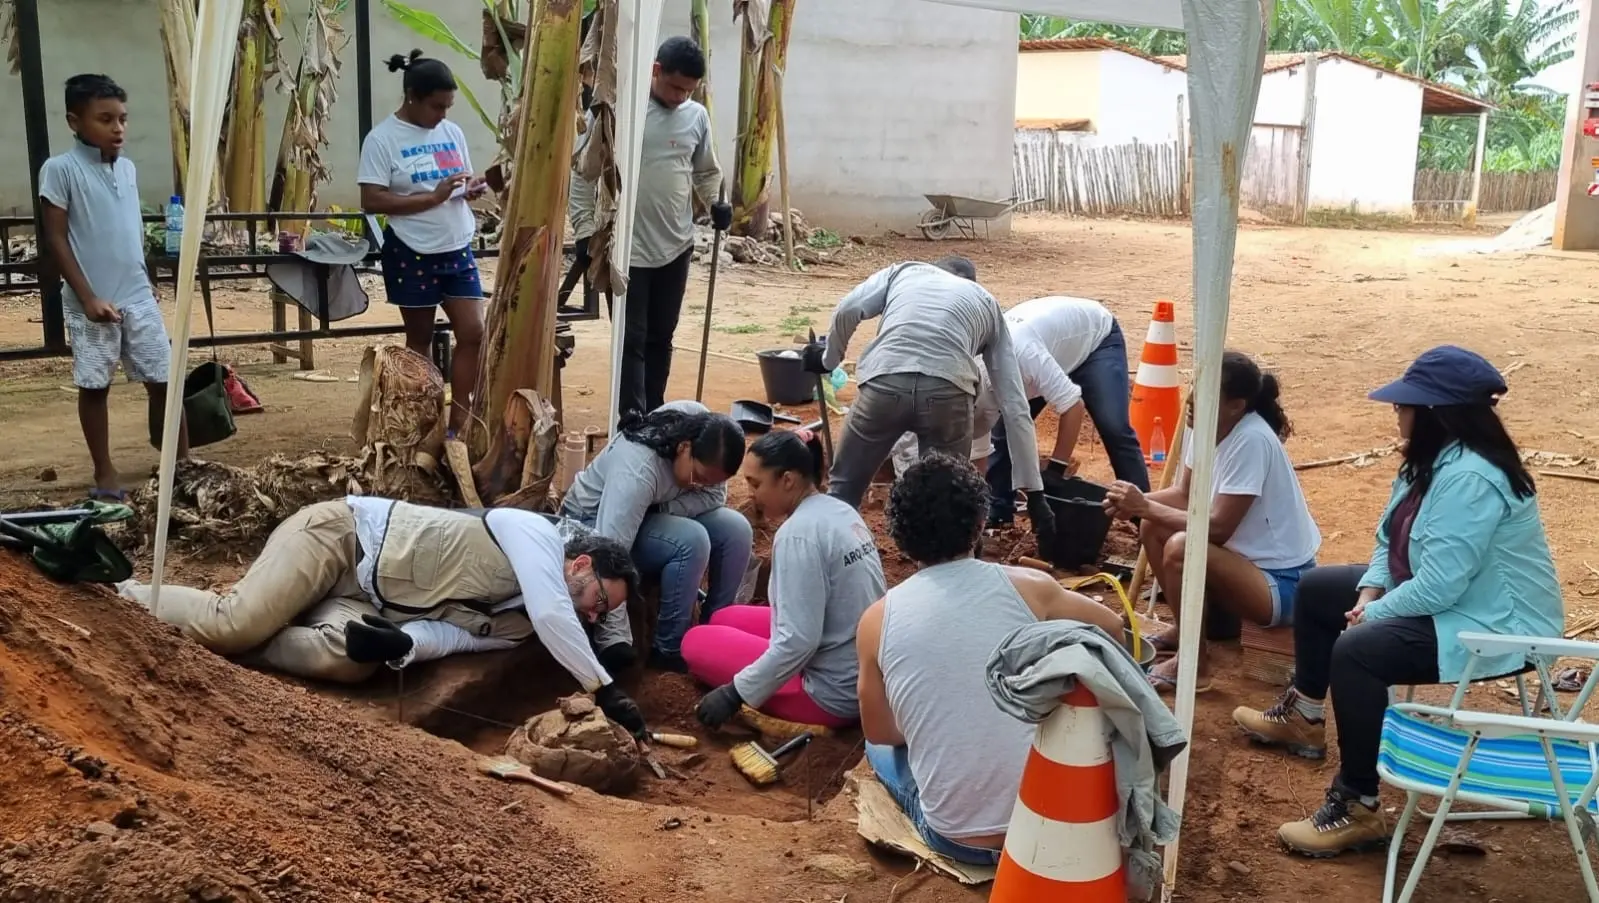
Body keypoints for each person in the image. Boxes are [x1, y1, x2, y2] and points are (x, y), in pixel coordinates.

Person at [1232, 346, 1564, 858]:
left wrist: (1370, 614)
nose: (1397, 412)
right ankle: (1305, 713)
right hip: (1454, 601)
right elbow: (1391, 541)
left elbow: (1440, 587)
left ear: (1434, 414)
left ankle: (1358, 803)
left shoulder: (1470, 478)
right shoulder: (1429, 462)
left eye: (1404, 405)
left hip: (1494, 624)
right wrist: (1369, 592)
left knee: (1358, 650)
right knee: (1321, 591)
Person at [119, 498, 651, 740]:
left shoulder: (526, 624)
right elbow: (554, 609)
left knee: (353, 663)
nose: (592, 614)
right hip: (339, 539)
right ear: (580, 563)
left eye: (601, 614)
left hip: (365, 603)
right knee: (233, 622)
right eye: (599, 600)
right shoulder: (531, 533)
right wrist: (601, 688)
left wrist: (400, 645)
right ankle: (121, 591)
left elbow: (451, 637)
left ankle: (254, 634)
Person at [855, 453, 1123, 865]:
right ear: (979, 523)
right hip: (1051, 828)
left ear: (899, 536)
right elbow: (1113, 629)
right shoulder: (1032, 588)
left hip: (958, 839)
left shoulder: (877, 620)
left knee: (878, 751)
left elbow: (880, 730)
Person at [1103, 351, 1320, 693]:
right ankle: (1183, 629)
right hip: (1246, 567)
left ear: (1236, 405)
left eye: (1203, 393)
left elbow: (1217, 528)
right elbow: (1186, 494)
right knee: (1153, 526)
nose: (1190, 399)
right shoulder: (1204, 422)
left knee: (1180, 546)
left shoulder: (1251, 440)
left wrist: (1143, 504)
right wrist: (1130, 506)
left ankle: (1196, 665)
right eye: (1194, 385)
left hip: (1284, 583)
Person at [804, 256, 1054, 545]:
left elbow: (849, 308)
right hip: (948, 391)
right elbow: (1015, 406)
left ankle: (828, 557)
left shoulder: (904, 272)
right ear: (971, 283)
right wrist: (1035, 494)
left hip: (885, 383)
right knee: (947, 501)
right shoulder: (986, 302)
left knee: (843, 489)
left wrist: (828, 360)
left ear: (936, 268)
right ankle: (952, 573)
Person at [39, 74, 189, 500]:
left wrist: (147, 277)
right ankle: (105, 474)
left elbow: (129, 231)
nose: (118, 128)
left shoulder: (127, 168)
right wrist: (87, 297)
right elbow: (56, 238)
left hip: (136, 296)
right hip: (93, 301)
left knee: (164, 379)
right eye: (105, 119)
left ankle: (182, 467)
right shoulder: (60, 170)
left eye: (122, 118)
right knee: (95, 385)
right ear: (75, 121)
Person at [684, 430, 886, 730]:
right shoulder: (838, 510)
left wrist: (735, 693)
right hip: (860, 664)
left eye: (756, 484)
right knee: (724, 617)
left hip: (831, 694)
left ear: (788, 480)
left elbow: (799, 642)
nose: (750, 494)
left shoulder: (798, 536)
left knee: (694, 642)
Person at [560, 401, 753, 673]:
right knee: (692, 540)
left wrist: (662, 508)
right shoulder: (638, 471)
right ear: (684, 447)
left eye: (709, 481)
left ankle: (715, 632)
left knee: (736, 530)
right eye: (697, 477)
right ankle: (668, 649)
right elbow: (609, 549)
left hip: (653, 510)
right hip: (590, 524)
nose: (699, 486)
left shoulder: (709, 436)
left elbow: (714, 497)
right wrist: (613, 634)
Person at [358, 50, 489, 438]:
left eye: (448, 106)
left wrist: (468, 190)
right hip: (412, 251)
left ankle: (461, 423)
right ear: (411, 96)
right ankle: (425, 423)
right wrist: (431, 198)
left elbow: (456, 185)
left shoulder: (452, 133)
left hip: (456, 246)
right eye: (436, 106)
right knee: (420, 340)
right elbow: (372, 199)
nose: (443, 115)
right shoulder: (382, 140)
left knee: (473, 333)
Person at [603, 36, 730, 418]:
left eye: (688, 91)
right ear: (655, 70)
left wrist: (717, 203)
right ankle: (629, 416)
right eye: (675, 87)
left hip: (676, 245)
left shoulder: (696, 115)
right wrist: (583, 230)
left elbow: (707, 171)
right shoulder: (621, 109)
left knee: (661, 336)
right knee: (631, 338)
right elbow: (583, 173)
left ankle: (655, 412)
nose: (680, 97)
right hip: (627, 249)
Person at [984, 296, 1151, 527]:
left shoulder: (1028, 359)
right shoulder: (980, 365)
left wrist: (1056, 469)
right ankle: (999, 514)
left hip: (1096, 342)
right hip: (1052, 346)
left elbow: (1074, 407)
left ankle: (1144, 519)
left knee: (1113, 427)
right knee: (1002, 434)